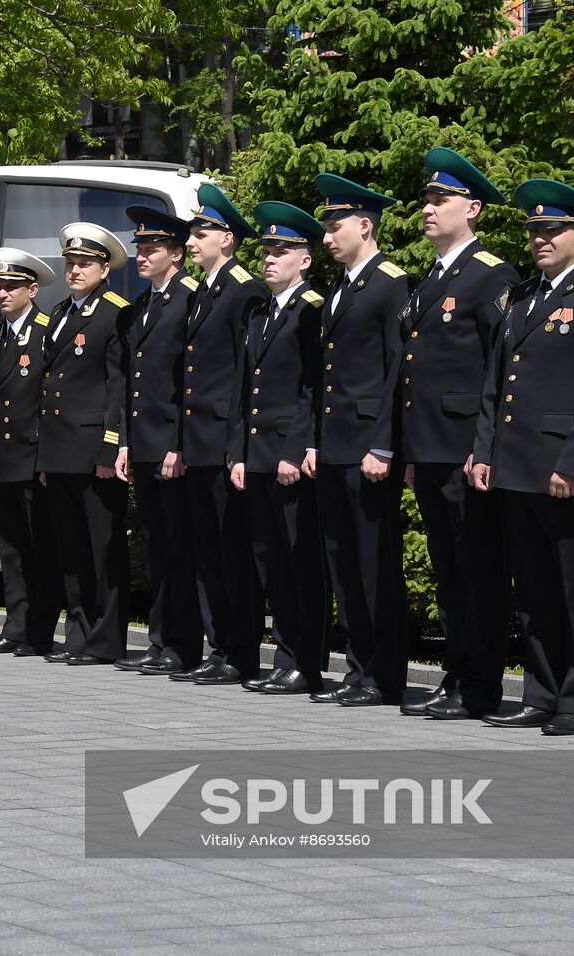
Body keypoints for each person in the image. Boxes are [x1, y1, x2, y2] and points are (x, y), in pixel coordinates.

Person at [471, 179, 574, 735]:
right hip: (515, 465)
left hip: (563, 470)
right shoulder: (522, 296)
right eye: (534, 230)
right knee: (535, 592)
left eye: (552, 230)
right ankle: (541, 693)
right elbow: (496, 383)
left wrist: (573, 463)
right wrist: (484, 449)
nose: (540, 239)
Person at [394, 149, 521, 720]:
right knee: (450, 570)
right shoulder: (429, 281)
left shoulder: (492, 276)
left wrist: (485, 446)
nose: (428, 209)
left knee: (478, 571)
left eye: (440, 200)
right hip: (432, 447)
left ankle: (481, 683)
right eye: (426, 199)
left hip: (468, 448)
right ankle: (456, 674)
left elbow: (503, 368)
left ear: (472, 208)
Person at [306, 173, 410, 708]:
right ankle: (358, 668)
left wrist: (384, 445)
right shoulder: (342, 288)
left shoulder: (391, 284)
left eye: (335, 225)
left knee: (373, 565)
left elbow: (397, 371)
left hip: (367, 445)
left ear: (365, 226)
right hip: (336, 444)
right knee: (344, 562)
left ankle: (383, 674)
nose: (326, 237)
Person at [229, 201, 330, 695]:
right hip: (258, 456)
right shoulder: (263, 312)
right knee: (270, 562)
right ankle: (284, 657)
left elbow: (314, 389)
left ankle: (305, 662)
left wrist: (296, 450)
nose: (270, 258)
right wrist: (240, 453)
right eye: (266, 250)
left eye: (282, 250)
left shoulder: (312, 309)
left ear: (305, 259)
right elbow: (246, 389)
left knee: (299, 566)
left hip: (288, 458)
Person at [172, 184, 266, 685]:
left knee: (233, 556)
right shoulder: (204, 290)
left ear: (226, 239)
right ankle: (219, 645)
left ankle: (241, 650)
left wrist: (237, 447)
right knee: (208, 554)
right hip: (198, 442)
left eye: (200, 232)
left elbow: (245, 375)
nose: (191, 241)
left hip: (224, 443)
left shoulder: (244, 290)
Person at [113, 206, 204, 676]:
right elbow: (134, 382)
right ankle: (160, 638)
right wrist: (125, 442)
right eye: (139, 248)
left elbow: (188, 382)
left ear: (176, 252)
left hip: (171, 446)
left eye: (150, 249)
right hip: (145, 444)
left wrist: (179, 443)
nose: (141, 256)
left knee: (178, 548)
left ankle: (183, 644)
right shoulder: (144, 304)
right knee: (155, 547)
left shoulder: (189, 299)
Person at [36, 222, 130, 665]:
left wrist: (111, 447)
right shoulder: (58, 314)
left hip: (94, 449)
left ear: (104, 268)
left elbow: (118, 385)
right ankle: (78, 634)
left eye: (85, 264)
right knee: (71, 550)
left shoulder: (114, 312)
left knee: (102, 550)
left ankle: (105, 639)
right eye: (70, 263)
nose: (74, 270)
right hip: (59, 449)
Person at [0, 247, 63, 656]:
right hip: (3, 455)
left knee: (38, 549)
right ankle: (15, 626)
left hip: (31, 453)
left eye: (12, 286)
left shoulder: (46, 331)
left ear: (33, 289)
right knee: (11, 548)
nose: (3, 294)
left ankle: (39, 630)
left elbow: (50, 398)